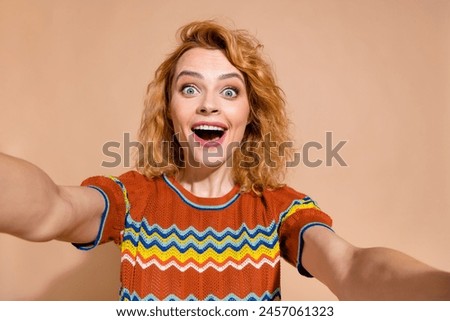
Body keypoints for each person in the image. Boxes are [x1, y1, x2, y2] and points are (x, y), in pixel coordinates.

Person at [0, 20, 449, 301]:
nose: (209, 105)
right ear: (170, 113)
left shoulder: (280, 209)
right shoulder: (133, 199)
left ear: (249, 116)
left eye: (229, 90)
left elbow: (351, 268)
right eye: (190, 88)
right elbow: (52, 208)